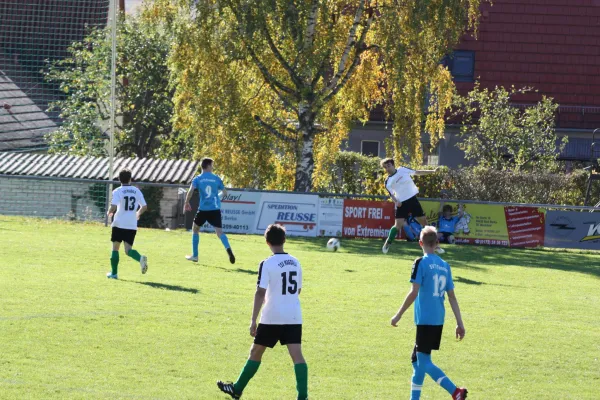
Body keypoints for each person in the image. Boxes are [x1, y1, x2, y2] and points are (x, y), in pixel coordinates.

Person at [217, 224, 308, 400]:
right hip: (294, 315)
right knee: (297, 356)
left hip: (272, 316)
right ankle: (303, 397)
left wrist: (253, 320)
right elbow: (298, 290)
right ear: (284, 240)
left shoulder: (266, 263)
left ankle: (236, 389)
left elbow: (260, 292)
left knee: (256, 352)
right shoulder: (296, 262)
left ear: (267, 242)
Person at [390, 226, 468, 400]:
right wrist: (460, 323)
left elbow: (413, 292)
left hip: (425, 320)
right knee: (417, 363)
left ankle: (456, 392)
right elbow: (452, 297)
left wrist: (398, 314)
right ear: (437, 243)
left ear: (420, 243)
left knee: (424, 362)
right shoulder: (445, 265)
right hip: (438, 319)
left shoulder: (420, 262)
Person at [380, 158, 441, 254]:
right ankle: (388, 242)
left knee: (425, 224)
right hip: (402, 204)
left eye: (389, 166)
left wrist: (432, 171)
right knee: (397, 226)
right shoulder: (388, 181)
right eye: (385, 167)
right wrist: (396, 201)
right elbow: (391, 195)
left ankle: (435, 245)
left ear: (393, 165)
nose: (387, 168)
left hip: (413, 200)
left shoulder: (402, 170)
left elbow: (417, 172)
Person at [184, 157, 235, 264]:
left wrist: (186, 202)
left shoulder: (197, 179)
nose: (213, 167)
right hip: (215, 209)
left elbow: (190, 191)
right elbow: (225, 193)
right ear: (207, 166)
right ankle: (228, 249)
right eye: (212, 165)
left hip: (203, 209)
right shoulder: (216, 178)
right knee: (220, 232)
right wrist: (216, 197)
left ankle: (195, 255)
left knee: (195, 229)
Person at [106, 168, 148, 279]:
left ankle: (114, 273)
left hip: (119, 223)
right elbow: (144, 206)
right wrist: (138, 213)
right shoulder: (136, 191)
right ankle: (140, 258)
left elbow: (114, 206)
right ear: (130, 179)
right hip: (131, 224)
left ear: (119, 179)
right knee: (128, 250)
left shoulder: (117, 191)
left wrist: (109, 212)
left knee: (115, 248)